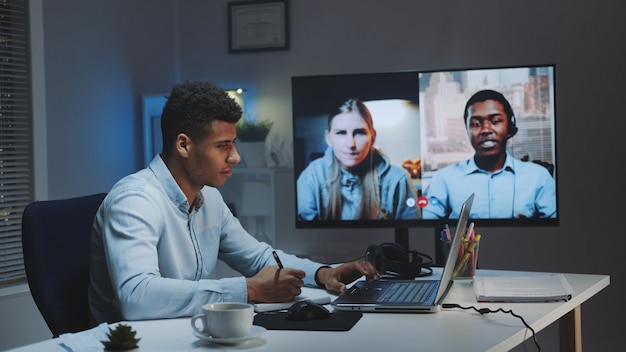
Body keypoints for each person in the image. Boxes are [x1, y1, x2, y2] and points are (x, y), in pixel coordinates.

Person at [88, 81, 379, 324]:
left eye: (233, 143)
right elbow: (137, 298)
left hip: (186, 335)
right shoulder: (135, 201)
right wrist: (248, 289)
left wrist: (322, 273)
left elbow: (258, 257)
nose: (235, 157)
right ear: (184, 145)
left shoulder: (209, 197)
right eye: (222, 145)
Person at [422, 89, 556, 219]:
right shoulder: (444, 179)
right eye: (476, 123)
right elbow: (427, 232)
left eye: (495, 121)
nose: (486, 130)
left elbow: (559, 233)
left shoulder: (538, 177)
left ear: (510, 126)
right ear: (467, 130)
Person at [297, 98, 418, 221]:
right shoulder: (311, 177)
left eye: (359, 132)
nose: (351, 144)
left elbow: (412, 233)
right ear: (329, 138)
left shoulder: (398, 180)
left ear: (373, 137)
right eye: (341, 133)